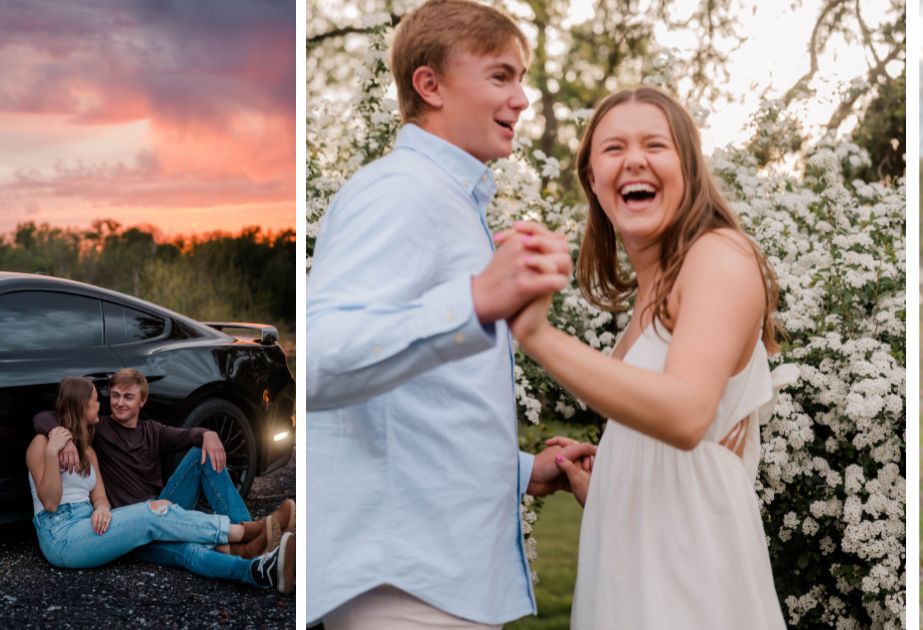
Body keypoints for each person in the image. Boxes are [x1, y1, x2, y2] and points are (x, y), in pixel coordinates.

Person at [305, 0, 594, 627]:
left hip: (432, 571)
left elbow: (417, 407)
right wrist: (474, 302)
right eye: (500, 75)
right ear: (429, 85)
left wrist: (520, 470)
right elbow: (321, 361)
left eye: (521, 77)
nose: (521, 97)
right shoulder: (401, 192)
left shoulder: (448, 200)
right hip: (405, 581)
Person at [505, 85, 787, 629]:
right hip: (638, 564)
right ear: (593, 178)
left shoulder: (718, 256)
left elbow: (685, 415)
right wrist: (610, 476)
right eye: (613, 149)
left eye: (654, 144)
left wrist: (534, 333)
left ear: (688, 168)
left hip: (694, 577)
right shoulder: (649, 291)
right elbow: (675, 451)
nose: (634, 158)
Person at [32, 368, 296, 592]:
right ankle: (254, 539)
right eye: (113, 396)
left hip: (160, 506)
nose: (118, 403)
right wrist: (58, 436)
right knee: (189, 550)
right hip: (127, 522)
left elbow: (190, 435)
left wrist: (209, 434)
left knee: (200, 454)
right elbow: (47, 415)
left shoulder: (152, 431)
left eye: (128, 397)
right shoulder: (98, 431)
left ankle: (253, 541)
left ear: (142, 401)